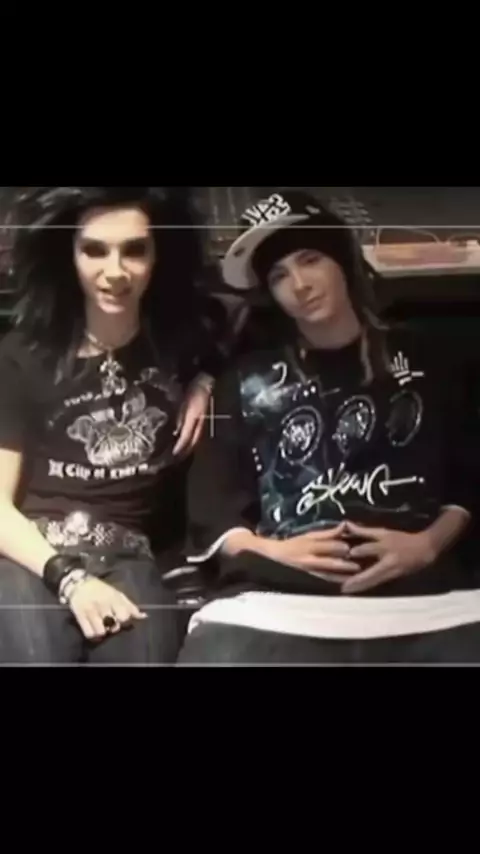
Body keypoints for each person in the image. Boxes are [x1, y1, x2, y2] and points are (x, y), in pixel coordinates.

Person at [177, 189, 480, 665]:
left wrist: (427, 544)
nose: (299, 284)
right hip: (276, 606)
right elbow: (213, 506)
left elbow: (469, 474)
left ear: (342, 260)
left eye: (310, 259)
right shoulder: (245, 380)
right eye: (279, 275)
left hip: (432, 601)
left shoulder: (431, 357)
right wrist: (271, 551)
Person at [0, 185, 229, 665]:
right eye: (94, 250)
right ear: (68, 255)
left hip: (133, 558)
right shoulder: (24, 357)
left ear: (160, 254)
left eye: (135, 250)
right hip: (34, 554)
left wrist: (206, 382)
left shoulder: (183, 342)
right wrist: (70, 579)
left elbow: (243, 326)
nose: (115, 271)